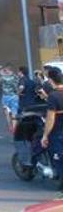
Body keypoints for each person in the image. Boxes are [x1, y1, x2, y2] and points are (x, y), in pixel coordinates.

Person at [41, 66, 63, 196]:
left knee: (59, 161)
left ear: (50, 80)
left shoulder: (53, 96)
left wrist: (45, 135)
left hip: (59, 134)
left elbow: (50, 119)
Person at [0, 64, 19, 129]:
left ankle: (10, 126)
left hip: (5, 97)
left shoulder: (3, 77)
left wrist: (2, 74)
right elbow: (17, 85)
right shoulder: (15, 76)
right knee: (14, 112)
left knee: (7, 113)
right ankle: (14, 127)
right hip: (14, 96)